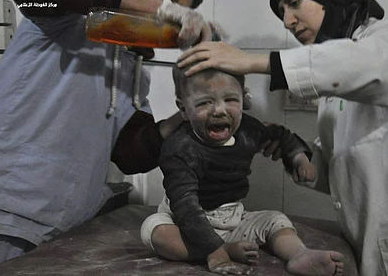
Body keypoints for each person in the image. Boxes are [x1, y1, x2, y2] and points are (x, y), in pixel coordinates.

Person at [176, 0, 388, 275]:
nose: (287, 21)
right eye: (282, 12)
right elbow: (349, 167)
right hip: (366, 245)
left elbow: (359, 64)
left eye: (294, 4)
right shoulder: (335, 87)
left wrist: (250, 61)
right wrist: (306, 162)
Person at [0, 0, 212, 265]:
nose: (171, 17)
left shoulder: (133, 69)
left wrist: (186, 114)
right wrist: (159, 10)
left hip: (67, 229)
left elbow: (130, 152)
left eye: (179, 15)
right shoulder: (62, 19)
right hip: (7, 217)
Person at [139, 63, 345, 276]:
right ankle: (218, 249)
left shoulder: (248, 130)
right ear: (183, 109)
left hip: (232, 218)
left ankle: (299, 254)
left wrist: (299, 158)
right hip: (184, 222)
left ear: (243, 99)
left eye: (230, 100)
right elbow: (185, 206)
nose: (219, 110)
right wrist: (215, 252)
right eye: (204, 102)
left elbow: (280, 136)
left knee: (276, 220)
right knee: (154, 229)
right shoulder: (179, 149)